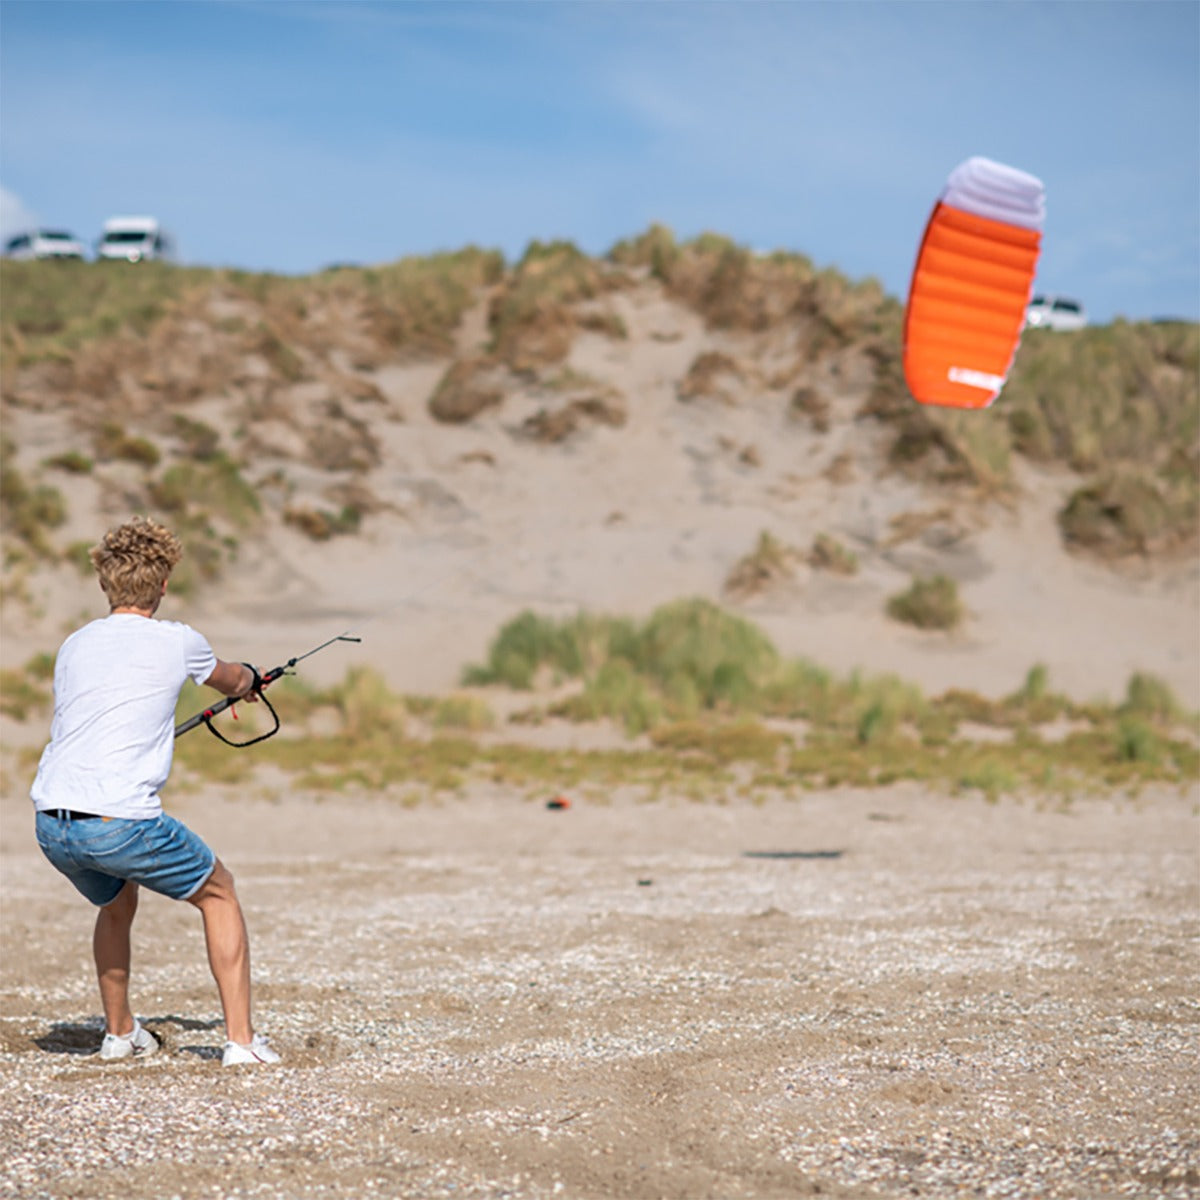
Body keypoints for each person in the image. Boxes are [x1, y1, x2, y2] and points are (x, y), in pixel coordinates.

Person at [31, 515, 280, 1067]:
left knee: (117, 898)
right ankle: (241, 1042)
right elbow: (235, 680)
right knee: (219, 891)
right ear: (164, 584)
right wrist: (254, 681)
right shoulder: (179, 641)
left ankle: (120, 1034)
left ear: (104, 583)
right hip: (118, 821)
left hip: (52, 820)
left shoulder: (74, 644)